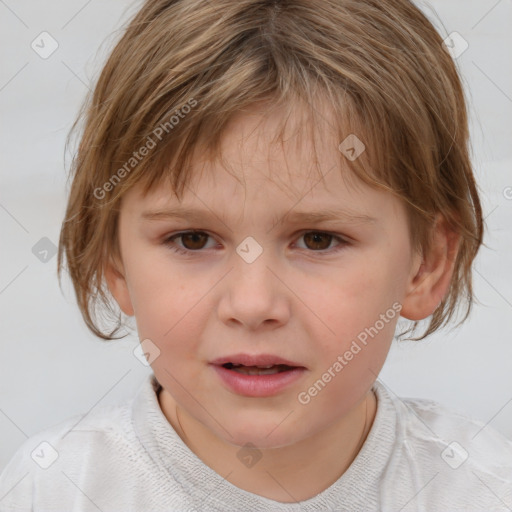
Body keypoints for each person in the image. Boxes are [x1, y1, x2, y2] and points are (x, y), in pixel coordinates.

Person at [1, 0, 511, 510]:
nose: (252, 304)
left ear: (426, 265)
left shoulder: (482, 490)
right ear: (115, 259)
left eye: (317, 240)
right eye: (193, 239)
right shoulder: (54, 490)